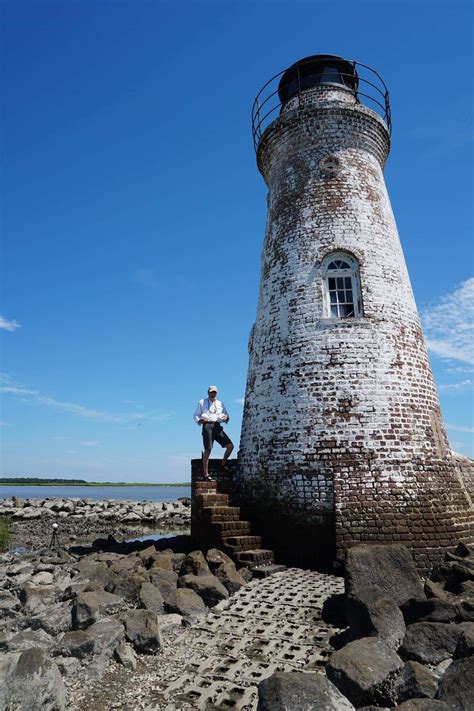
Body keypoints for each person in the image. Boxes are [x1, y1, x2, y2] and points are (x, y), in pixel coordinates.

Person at [193, 386, 234, 479]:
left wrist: (226, 418)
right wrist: (199, 420)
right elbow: (196, 414)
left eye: (214, 392)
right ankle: (206, 474)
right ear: (208, 392)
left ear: (216, 393)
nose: (213, 394)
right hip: (207, 425)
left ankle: (223, 464)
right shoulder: (202, 402)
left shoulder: (220, 403)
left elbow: (226, 414)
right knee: (208, 449)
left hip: (217, 426)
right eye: (211, 392)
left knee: (230, 446)